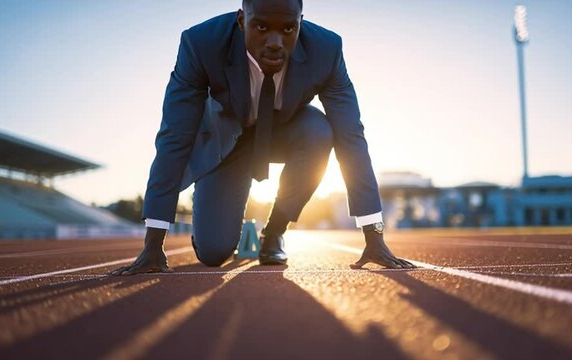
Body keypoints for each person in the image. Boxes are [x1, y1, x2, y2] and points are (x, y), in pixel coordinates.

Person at [111, 0, 415, 276]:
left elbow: (352, 136)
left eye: (288, 29)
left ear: (301, 21)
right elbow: (174, 136)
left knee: (320, 130)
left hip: (285, 132)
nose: (274, 42)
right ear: (241, 20)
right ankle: (210, 201)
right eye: (261, 27)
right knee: (214, 253)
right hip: (228, 141)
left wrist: (373, 236)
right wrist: (154, 244)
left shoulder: (327, 50)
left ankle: (274, 232)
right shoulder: (200, 44)